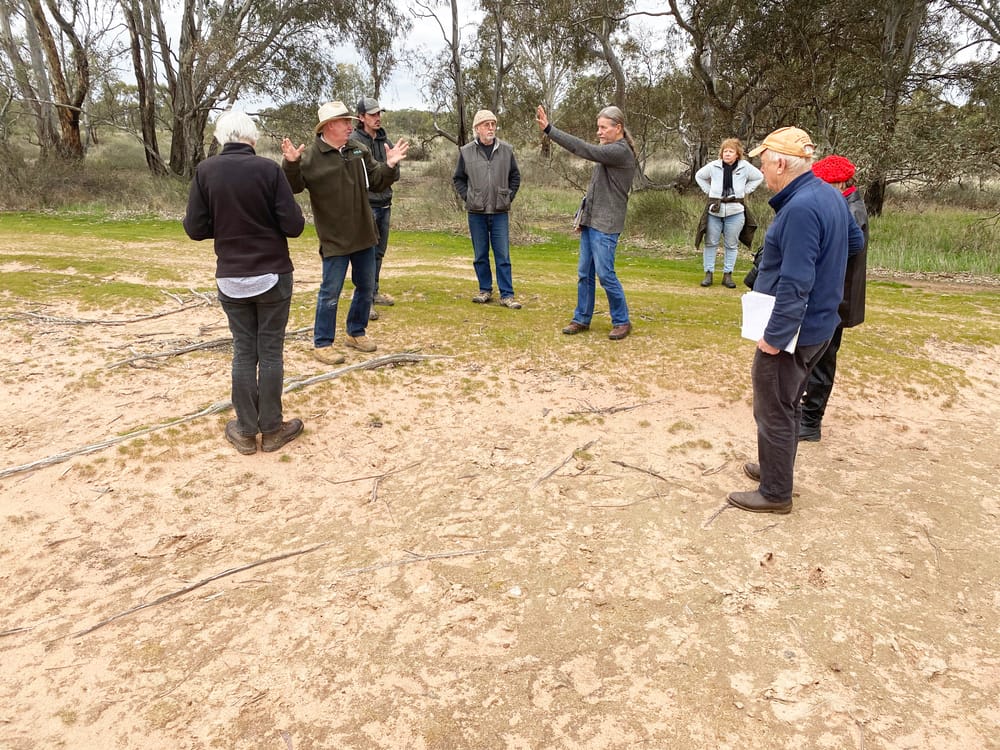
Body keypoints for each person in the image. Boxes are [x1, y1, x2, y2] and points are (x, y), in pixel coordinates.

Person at [729, 127, 865, 514]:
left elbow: (796, 282)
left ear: (782, 163)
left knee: (773, 405)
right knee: (787, 401)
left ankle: (775, 493)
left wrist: (775, 337)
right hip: (821, 323)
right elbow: (853, 243)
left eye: (764, 162)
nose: (761, 170)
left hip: (795, 329)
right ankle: (776, 468)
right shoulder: (827, 194)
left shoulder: (803, 207)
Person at [183, 110, 306, 455]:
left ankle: (245, 429)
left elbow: (195, 228)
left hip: (232, 277)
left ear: (223, 138)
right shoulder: (269, 170)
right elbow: (293, 226)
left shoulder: (205, 172)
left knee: (242, 351)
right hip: (272, 276)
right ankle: (272, 429)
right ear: (252, 139)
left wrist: (223, 226)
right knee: (269, 351)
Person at [281, 101, 408, 363]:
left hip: (364, 232)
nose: (351, 126)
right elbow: (293, 187)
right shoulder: (311, 157)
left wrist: (391, 165)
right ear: (328, 127)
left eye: (350, 121)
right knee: (330, 291)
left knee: (364, 287)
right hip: (334, 238)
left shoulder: (358, 150)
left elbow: (377, 180)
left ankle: (356, 332)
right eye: (344, 122)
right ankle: (323, 343)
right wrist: (291, 164)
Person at [535, 104, 636, 340]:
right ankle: (581, 318)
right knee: (584, 273)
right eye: (598, 127)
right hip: (593, 221)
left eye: (603, 127)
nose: (599, 132)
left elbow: (582, 149)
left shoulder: (620, 151)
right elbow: (595, 189)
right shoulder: (609, 149)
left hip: (607, 224)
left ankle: (622, 321)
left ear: (618, 128)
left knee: (605, 274)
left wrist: (550, 129)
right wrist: (584, 217)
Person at [799, 154, 869, 441]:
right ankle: (805, 412)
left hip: (837, 297)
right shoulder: (843, 204)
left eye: (823, 183)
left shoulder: (850, 211)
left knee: (823, 359)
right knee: (814, 356)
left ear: (840, 183)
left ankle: (811, 421)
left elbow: (836, 251)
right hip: (832, 293)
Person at [452, 109, 522, 309]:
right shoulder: (466, 151)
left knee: (503, 255)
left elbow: (515, 177)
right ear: (477, 129)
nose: (491, 128)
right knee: (480, 254)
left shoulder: (506, 150)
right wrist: (469, 197)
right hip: (477, 212)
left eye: (493, 124)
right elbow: (458, 178)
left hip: (499, 212)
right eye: (486, 124)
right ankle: (485, 290)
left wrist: (507, 196)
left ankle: (507, 295)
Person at [695, 138, 764, 288]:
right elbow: (699, 176)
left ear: (737, 154)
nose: (727, 154)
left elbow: (759, 177)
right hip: (715, 210)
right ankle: (708, 274)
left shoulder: (745, 167)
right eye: (725, 151)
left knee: (731, 244)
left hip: (736, 210)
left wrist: (745, 191)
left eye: (730, 151)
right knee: (710, 242)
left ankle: (728, 275)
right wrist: (710, 192)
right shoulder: (714, 166)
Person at [353, 97, 396, 321]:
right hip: (366, 205)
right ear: (361, 118)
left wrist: (390, 166)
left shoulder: (384, 139)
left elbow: (391, 174)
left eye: (379, 113)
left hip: (385, 202)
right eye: (372, 114)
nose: (377, 118)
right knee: (366, 254)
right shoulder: (353, 142)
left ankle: (374, 291)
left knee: (379, 252)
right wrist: (383, 170)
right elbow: (361, 176)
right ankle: (364, 299)